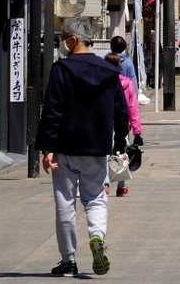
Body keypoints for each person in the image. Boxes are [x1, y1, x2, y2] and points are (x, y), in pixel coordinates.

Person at [36, 16, 129, 277]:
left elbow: (52, 111)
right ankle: (97, 236)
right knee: (96, 199)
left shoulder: (61, 70)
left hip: (65, 147)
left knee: (65, 204)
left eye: (63, 38)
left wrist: (47, 148)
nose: (62, 43)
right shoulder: (110, 72)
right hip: (98, 147)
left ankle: (68, 260)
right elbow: (120, 113)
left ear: (73, 40)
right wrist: (119, 144)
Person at [104, 52, 143, 198]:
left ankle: (106, 182)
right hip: (123, 124)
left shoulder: (101, 82)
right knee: (122, 153)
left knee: (106, 153)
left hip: (105, 123)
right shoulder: (126, 83)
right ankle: (122, 186)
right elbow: (133, 107)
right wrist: (137, 130)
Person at [110, 35, 148, 104]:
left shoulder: (106, 61)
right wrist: (135, 98)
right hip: (125, 99)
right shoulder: (128, 63)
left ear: (111, 47)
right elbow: (133, 82)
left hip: (109, 97)